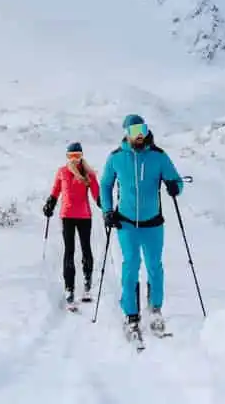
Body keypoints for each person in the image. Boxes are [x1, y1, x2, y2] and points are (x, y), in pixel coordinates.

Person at [99, 114, 184, 339]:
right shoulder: (116, 158)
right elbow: (105, 184)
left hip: (153, 223)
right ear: (126, 132)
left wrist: (175, 187)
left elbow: (176, 179)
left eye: (143, 129)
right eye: (135, 130)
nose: (139, 135)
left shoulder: (158, 156)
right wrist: (107, 211)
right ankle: (131, 315)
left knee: (155, 266)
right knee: (131, 266)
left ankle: (155, 309)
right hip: (126, 223)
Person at [43, 141, 100, 305]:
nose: (74, 159)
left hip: (84, 216)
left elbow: (96, 194)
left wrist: (105, 206)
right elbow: (55, 191)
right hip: (67, 216)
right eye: (71, 156)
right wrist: (50, 203)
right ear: (67, 157)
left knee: (86, 248)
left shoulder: (89, 174)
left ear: (82, 156)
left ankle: (87, 279)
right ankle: (69, 287)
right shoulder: (63, 172)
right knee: (69, 251)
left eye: (77, 156)